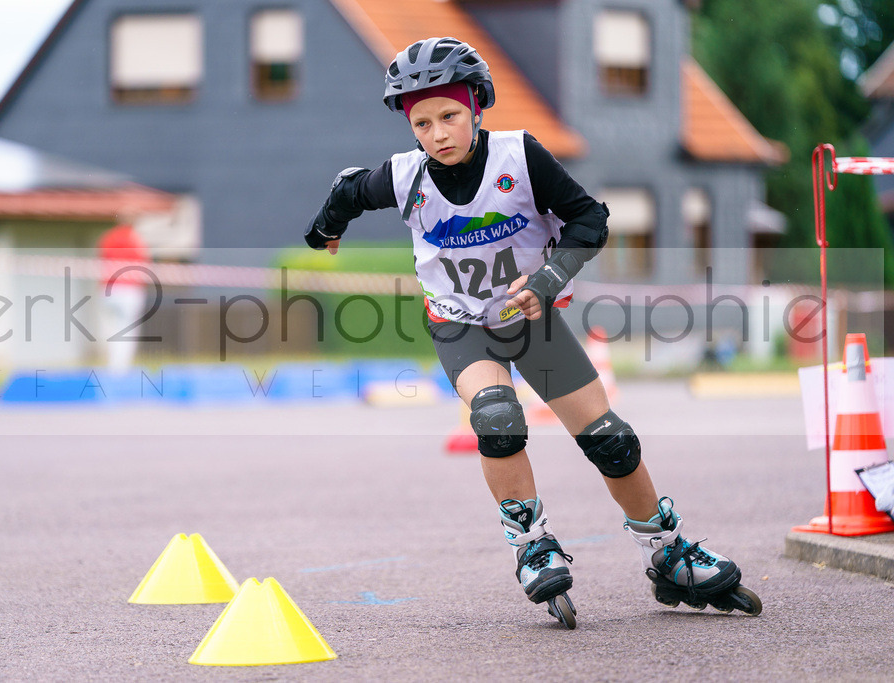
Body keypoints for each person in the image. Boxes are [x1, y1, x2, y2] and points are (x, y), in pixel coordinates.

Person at [304, 37, 760, 625]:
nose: (438, 134)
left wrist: (547, 280)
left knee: (612, 441)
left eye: (450, 115)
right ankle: (532, 546)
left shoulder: (519, 157)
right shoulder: (404, 176)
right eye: (422, 123)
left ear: (477, 106)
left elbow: (590, 218)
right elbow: (348, 190)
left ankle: (668, 552)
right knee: (497, 417)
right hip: (461, 325)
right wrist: (325, 230)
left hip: (531, 320)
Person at [97, 223, 150, 371]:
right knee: (126, 330)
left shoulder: (108, 238)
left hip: (109, 291)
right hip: (129, 291)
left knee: (112, 329)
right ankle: (120, 368)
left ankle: (113, 366)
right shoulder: (136, 240)